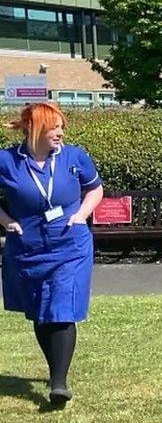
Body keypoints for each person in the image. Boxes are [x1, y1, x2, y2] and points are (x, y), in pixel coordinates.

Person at [1, 102, 104, 406]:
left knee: (61, 306)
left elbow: (95, 190)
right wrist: (7, 221)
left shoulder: (74, 157)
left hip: (70, 243)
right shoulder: (7, 161)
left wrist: (82, 213)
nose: (60, 132)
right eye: (54, 127)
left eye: (62, 127)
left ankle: (59, 383)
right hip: (28, 246)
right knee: (40, 311)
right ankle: (54, 369)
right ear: (36, 130)